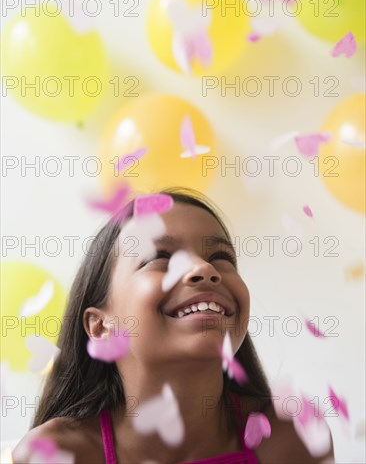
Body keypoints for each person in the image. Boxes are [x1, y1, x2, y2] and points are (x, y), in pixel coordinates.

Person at [13, 188, 334, 464]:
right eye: (160, 256)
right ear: (99, 327)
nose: (204, 269)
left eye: (221, 257)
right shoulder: (56, 453)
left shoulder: (292, 437)